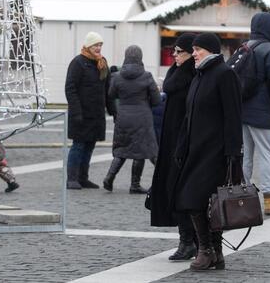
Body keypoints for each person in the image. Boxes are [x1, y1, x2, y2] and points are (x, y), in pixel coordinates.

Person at [172, 33, 243, 271]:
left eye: (197, 49)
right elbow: (188, 115)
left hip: (216, 152)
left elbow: (233, 116)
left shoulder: (225, 75)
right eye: (192, 50)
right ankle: (215, 253)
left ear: (211, 51)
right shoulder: (199, 75)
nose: (193, 54)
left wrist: (234, 153)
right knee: (198, 202)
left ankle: (206, 250)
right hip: (196, 150)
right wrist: (181, 145)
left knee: (198, 201)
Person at [150, 33, 198, 261]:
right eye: (174, 51)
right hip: (170, 142)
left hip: (185, 141)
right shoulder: (175, 73)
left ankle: (190, 241)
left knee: (183, 193)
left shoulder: (193, 75)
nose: (175, 56)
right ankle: (189, 239)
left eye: (180, 52)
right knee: (174, 190)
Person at [240, 13, 270, 215]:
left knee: (245, 156)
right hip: (263, 110)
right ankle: (269, 199)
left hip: (242, 110)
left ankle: (241, 195)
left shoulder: (245, 47)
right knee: (268, 154)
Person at [103, 45, 161, 194]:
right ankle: (135, 185)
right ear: (140, 58)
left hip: (123, 116)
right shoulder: (147, 76)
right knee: (140, 151)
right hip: (142, 117)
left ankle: (109, 177)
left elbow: (111, 94)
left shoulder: (117, 76)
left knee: (121, 149)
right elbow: (156, 101)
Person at [65, 32, 116, 190]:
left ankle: (83, 178)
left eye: (100, 45)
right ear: (88, 46)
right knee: (78, 145)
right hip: (81, 114)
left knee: (89, 146)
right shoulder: (78, 63)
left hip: (96, 114)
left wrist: (112, 110)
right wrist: (76, 111)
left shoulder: (102, 63)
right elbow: (70, 89)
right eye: (95, 45)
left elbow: (107, 89)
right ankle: (72, 179)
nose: (98, 48)